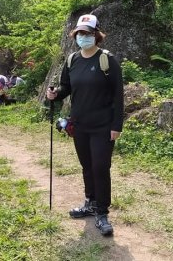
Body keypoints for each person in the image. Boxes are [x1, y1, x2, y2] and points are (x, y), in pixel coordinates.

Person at [46, 14, 124, 236]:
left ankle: (102, 211)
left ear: (96, 35)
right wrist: (55, 94)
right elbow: (65, 87)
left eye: (88, 33)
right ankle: (90, 202)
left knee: (100, 167)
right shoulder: (72, 60)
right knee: (87, 166)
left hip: (103, 126)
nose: (83, 37)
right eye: (80, 33)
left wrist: (116, 125)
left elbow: (119, 96)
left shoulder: (107, 60)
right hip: (79, 125)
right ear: (75, 35)